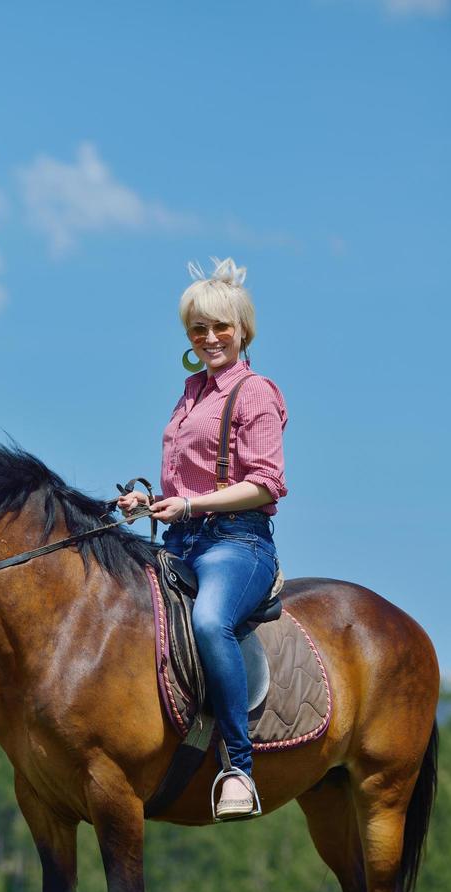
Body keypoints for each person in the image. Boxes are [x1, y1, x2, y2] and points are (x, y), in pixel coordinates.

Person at [118, 257, 287, 819]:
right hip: (181, 540)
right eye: (198, 328)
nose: (209, 337)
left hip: (239, 544)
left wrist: (189, 504)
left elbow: (264, 485)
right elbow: (189, 478)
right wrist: (151, 502)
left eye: (220, 327)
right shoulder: (190, 393)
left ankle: (238, 766)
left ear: (243, 331)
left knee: (211, 622)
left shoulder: (256, 392)